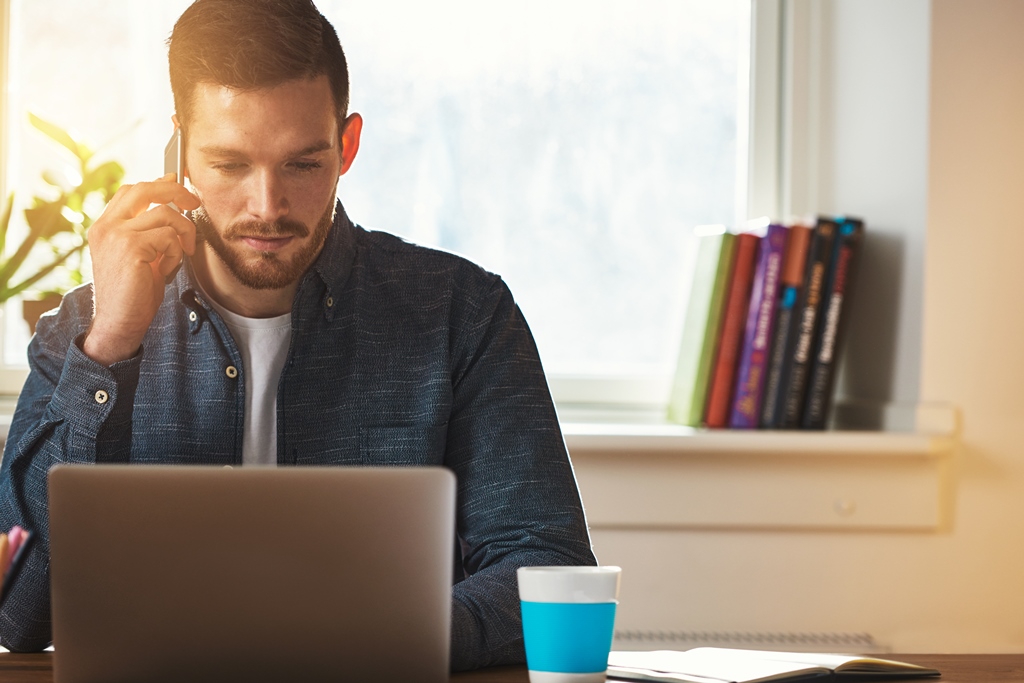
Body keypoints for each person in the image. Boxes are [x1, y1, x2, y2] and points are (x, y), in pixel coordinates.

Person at [0, 0, 596, 669]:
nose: (267, 206)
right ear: (180, 151)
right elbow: (19, 611)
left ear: (347, 145)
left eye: (302, 165)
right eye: (229, 164)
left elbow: (547, 570)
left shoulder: (463, 313)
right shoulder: (88, 328)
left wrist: (372, 636)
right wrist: (111, 344)